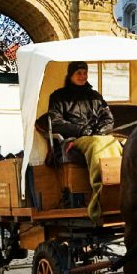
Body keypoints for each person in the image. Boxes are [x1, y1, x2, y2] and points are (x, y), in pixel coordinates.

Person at [47, 61, 122, 224]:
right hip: (73, 139)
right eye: (79, 73)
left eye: (85, 72)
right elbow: (56, 122)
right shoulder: (58, 97)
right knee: (97, 144)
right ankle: (99, 195)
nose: (83, 76)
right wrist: (79, 130)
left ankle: (119, 191)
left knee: (115, 143)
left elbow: (108, 118)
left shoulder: (95, 96)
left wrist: (101, 130)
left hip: (97, 136)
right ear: (71, 75)